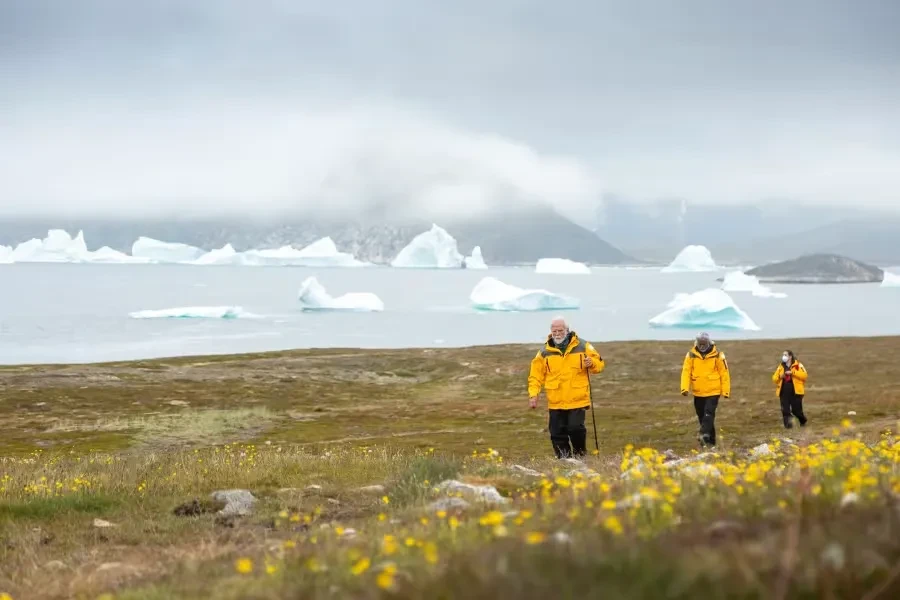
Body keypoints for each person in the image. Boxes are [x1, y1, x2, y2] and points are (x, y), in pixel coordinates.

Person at [527, 317, 604, 459]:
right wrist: (533, 394)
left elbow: (599, 364)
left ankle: (580, 456)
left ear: (567, 330)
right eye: (554, 330)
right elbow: (535, 375)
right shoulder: (544, 352)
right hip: (556, 401)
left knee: (575, 429)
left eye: (560, 330)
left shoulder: (583, 345)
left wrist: (591, 363)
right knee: (556, 433)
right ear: (551, 331)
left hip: (577, 399)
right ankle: (565, 461)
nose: (557, 333)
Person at [680, 332, 730, 447]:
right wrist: (684, 388)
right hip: (698, 391)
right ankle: (710, 443)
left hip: (713, 391)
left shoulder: (718, 355)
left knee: (709, 413)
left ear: (708, 343)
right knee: (702, 417)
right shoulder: (691, 355)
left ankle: (703, 434)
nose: (702, 346)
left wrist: (725, 391)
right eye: (700, 344)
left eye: (704, 344)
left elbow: (724, 373)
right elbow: (686, 372)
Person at [772, 350, 808, 428]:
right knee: (785, 410)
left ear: (790, 356)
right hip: (784, 391)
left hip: (796, 391)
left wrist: (793, 373)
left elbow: (804, 375)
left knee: (796, 410)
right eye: (783, 355)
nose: (783, 356)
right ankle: (788, 426)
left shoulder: (798, 365)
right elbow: (774, 378)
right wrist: (780, 376)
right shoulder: (781, 366)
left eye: (785, 355)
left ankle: (803, 420)